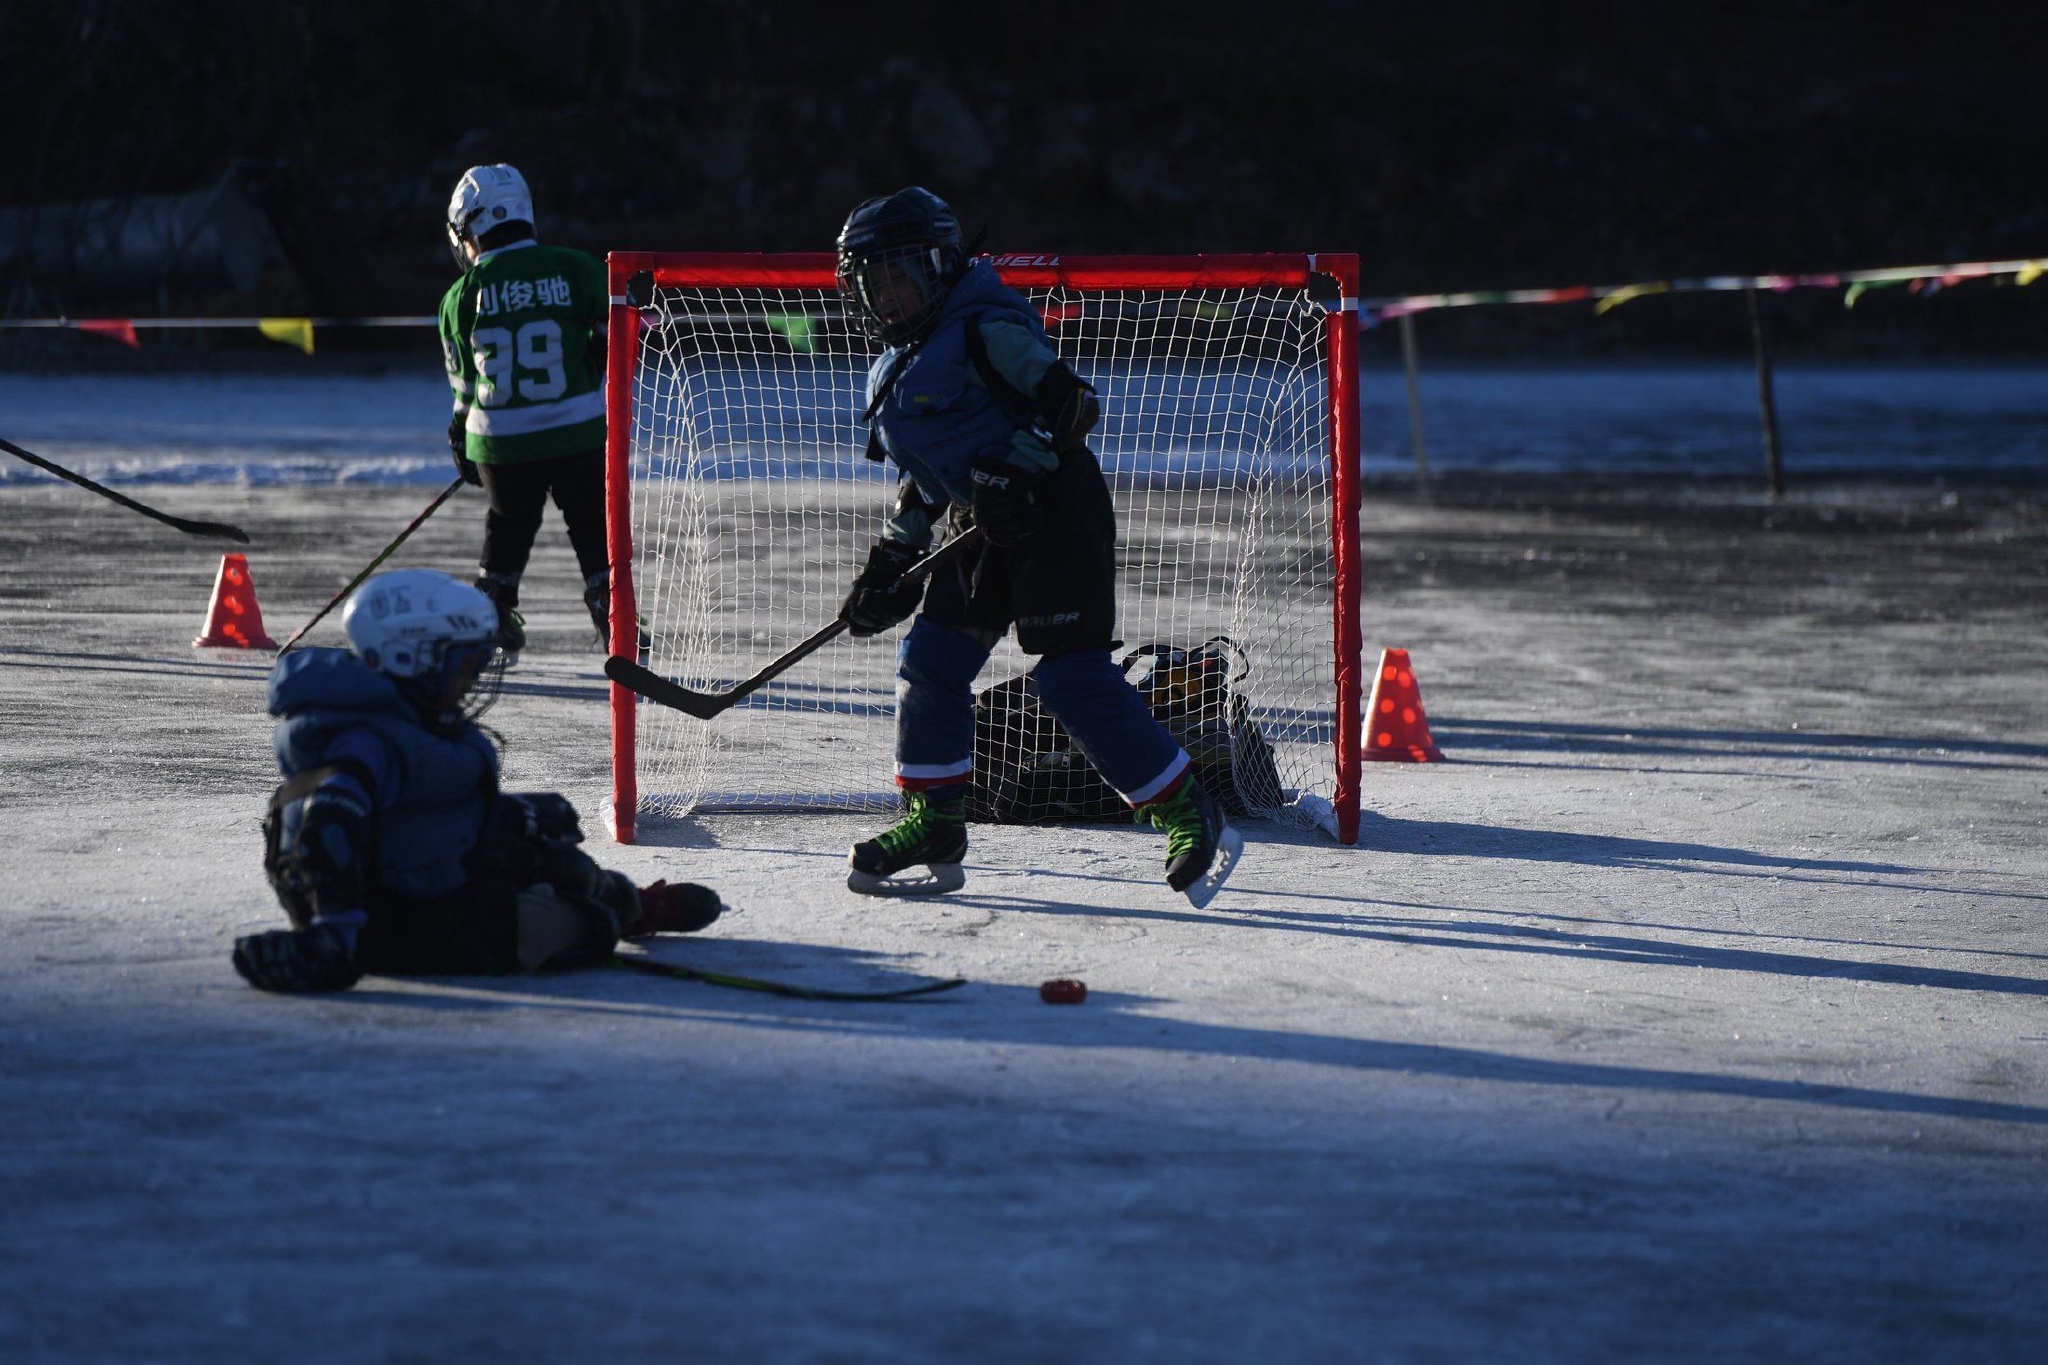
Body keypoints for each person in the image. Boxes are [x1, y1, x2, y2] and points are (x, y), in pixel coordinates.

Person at [832, 187, 1243, 909]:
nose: (885, 296)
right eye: (871, 283)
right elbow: (927, 479)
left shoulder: (984, 326)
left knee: (1069, 679)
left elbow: (1072, 403)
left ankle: (1186, 805)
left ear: (935, 266)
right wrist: (893, 557)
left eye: (896, 276)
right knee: (930, 660)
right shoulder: (899, 365)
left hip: (1054, 509)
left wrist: (1014, 471)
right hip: (979, 519)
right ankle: (935, 822)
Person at [232, 568, 719, 993]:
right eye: (467, 663)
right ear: (414, 658)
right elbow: (328, 825)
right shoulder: (360, 739)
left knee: (551, 853)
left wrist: (513, 817)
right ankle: (610, 915)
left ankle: (625, 901)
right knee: (581, 926)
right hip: (383, 919)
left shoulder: (405, 716)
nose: (476, 677)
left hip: (423, 882)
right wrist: (333, 936)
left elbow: (416, 807)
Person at [439, 163, 619, 653]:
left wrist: (460, 436)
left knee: (508, 520)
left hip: (500, 438)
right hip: (576, 428)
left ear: (470, 228)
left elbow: (465, 383)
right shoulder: (575, 267)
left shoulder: (461, 295)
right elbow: (615, 333)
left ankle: (494, 604)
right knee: (589, 521)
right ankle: (612, 606)